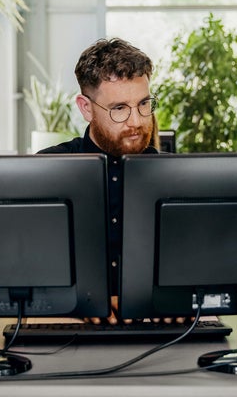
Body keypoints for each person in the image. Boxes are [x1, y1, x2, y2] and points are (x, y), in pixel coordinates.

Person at [38, 38, 158, 321]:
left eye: (144, 104)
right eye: (119, 108)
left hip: (155, 326)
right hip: (66, 326)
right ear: (86, 108)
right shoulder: (49, 170)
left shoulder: (168, 173)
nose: (136, 122)